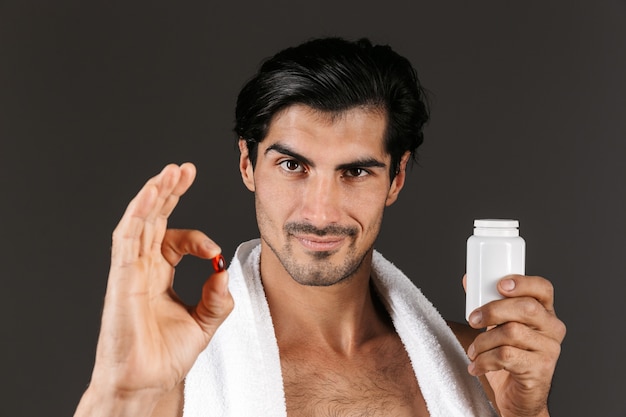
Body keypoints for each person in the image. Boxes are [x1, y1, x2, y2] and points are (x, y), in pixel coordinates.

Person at [73, 37, 565, 417]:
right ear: (247, 163)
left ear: (396, 178)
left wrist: (528, 414)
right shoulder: (175, 375)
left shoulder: (476, 365)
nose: (321, 212)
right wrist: (117, 392)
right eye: (292, 166)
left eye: (355, 172)